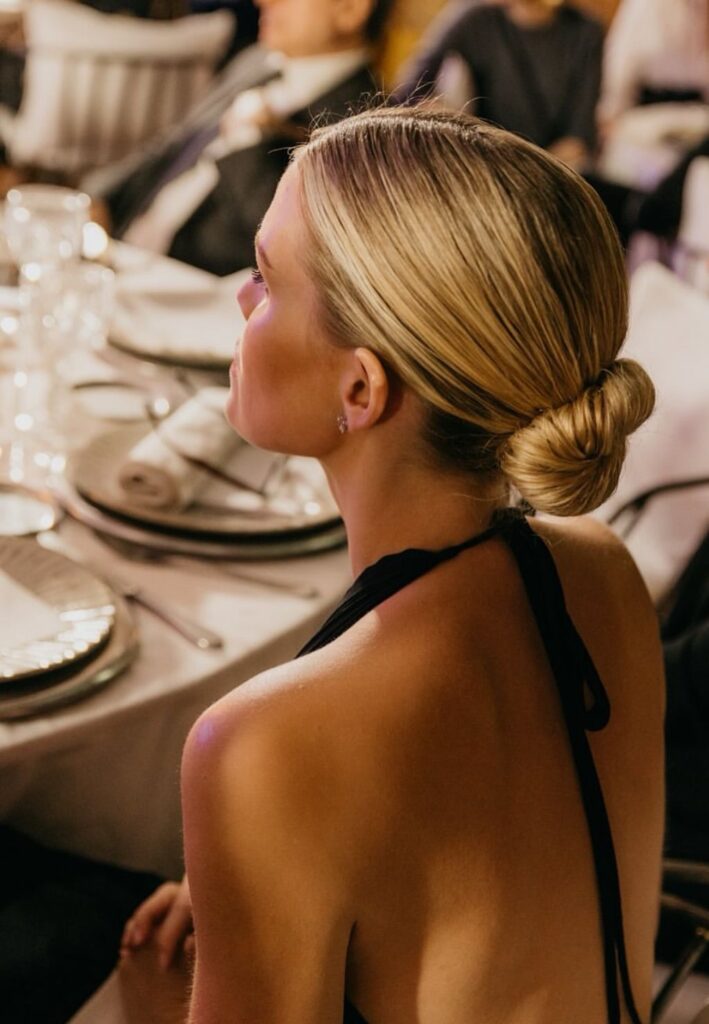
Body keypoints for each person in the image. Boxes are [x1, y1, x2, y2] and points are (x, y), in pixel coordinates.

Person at [121, 107, 664, 1023]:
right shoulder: (602, 572)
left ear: (360, 388)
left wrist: (150, 1004)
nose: (241, 300)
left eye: (265, 278)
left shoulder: (263, 745)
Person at [96, 0, 388, 275]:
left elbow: (294, 247)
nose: (263, 2)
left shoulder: (363, 127)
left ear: (351, 9)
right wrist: (99, 199)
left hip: (195, 286)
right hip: (122, 252)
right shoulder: (255, 62)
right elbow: (176, 142)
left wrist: (249, 142)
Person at [393, 0, 603, 170]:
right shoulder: (476, 16)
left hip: (545, 168)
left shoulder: (585, 32)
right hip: (485, 160)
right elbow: (409, 89)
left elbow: (578, 137)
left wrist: (531, 172)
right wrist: (444, 120)